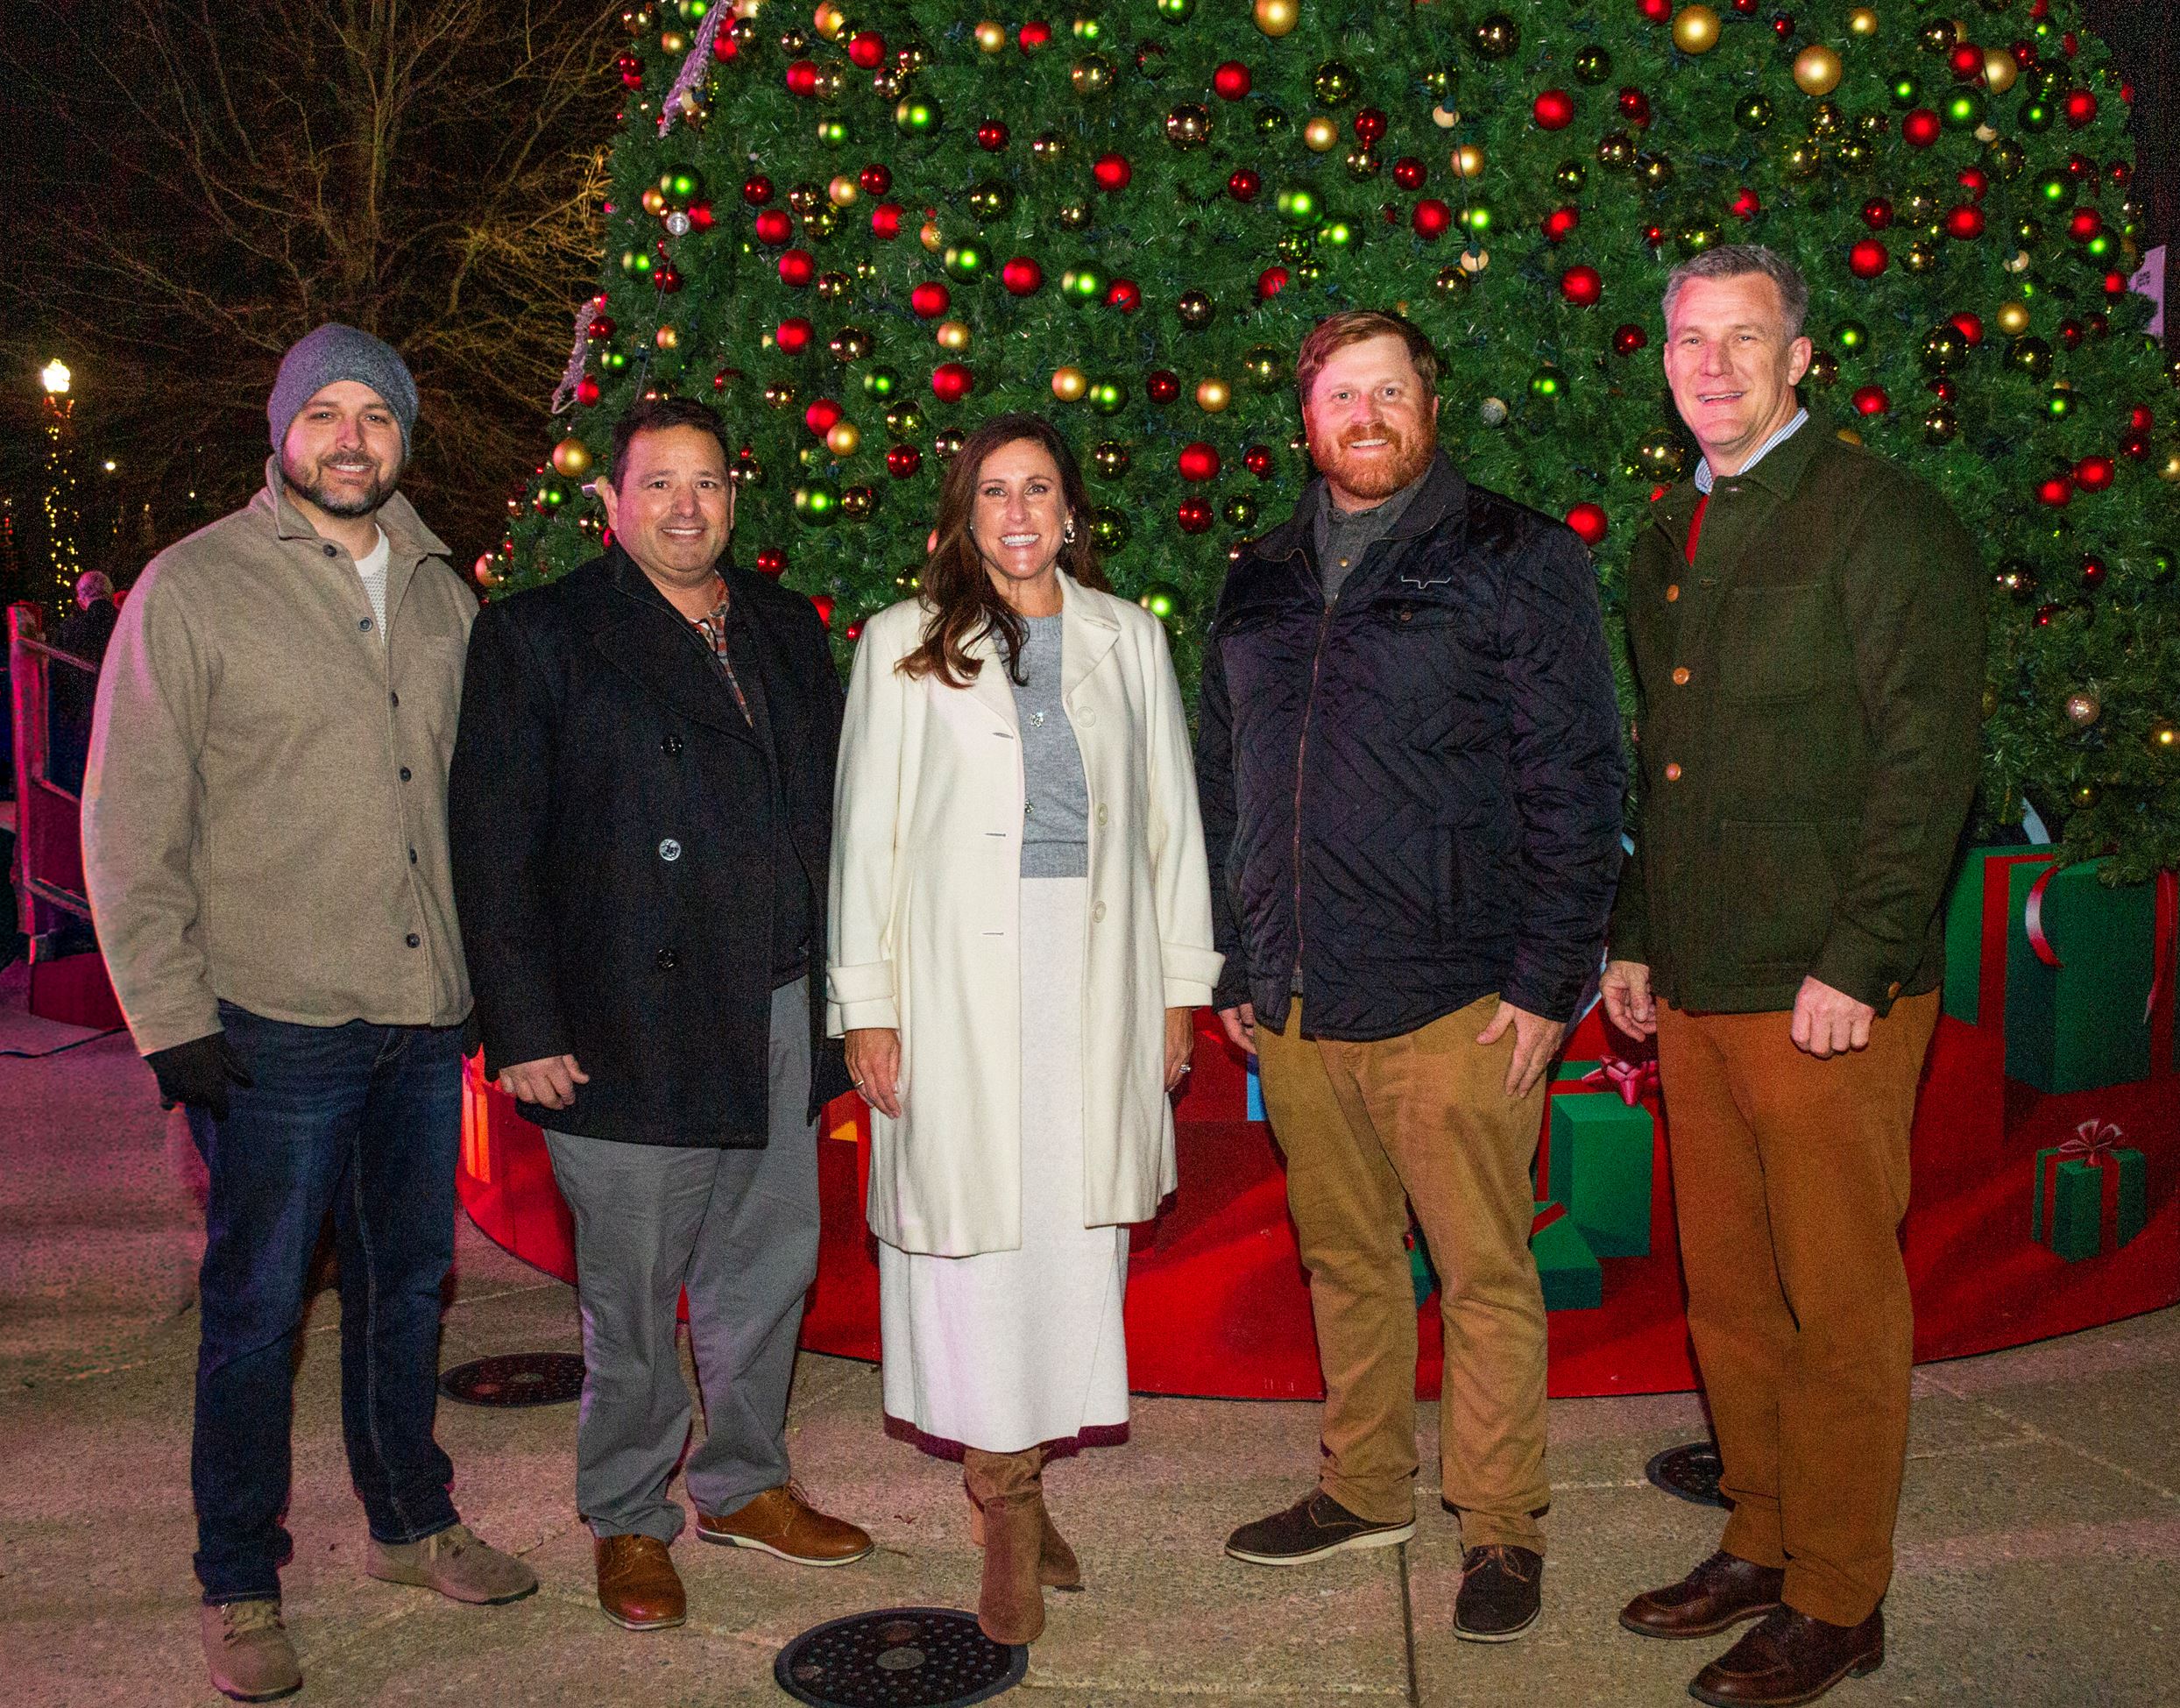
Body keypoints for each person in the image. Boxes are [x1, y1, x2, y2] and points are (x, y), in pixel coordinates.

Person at [83, 323, 534, 1704]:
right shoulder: (196, 588)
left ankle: (409, 1519)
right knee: (257, 1307)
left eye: (376, 418)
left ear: (405, 440)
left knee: (407, 1288)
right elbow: (128, 821)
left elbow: (481, 811)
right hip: (270, 1023)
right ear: (281, 432)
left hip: (418, 1015)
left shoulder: (448, 595)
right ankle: (238, 1574)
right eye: (324, 414)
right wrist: (170, 1021)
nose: (351, 439)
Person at [1198, 311, 1626, 1641]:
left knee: (1485, 1271)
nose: (1366, 415)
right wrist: (1235, 954)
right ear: (1307, 421)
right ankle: (1365, 1483)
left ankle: (1499, 1526)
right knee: (1345, 1261)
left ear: (1428, 409)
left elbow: (1577, 773)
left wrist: (1552, 977)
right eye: (1342, 395)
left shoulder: (1516, 556)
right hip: (1301, 1003)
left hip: (1459, 999)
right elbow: (1227, 784)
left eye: (1390, 391)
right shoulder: (1258, 575)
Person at [1603, 245, 1984, 1707]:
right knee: (1736, 1297)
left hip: (1828, 995)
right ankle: (1762, 1539)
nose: (1712, 364)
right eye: (1690, 340)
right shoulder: (1669, 538)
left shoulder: (1882, 521)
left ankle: (1841, 1593)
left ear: (1801, 358)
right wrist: (1639, 932)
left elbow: (1926, 762)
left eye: (1742, 339)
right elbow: (1671, 763)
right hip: (1703, 987)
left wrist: (1862, 954)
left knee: (1839, 1306)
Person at [449, 396, 871, 1636]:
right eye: (659, 484)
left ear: (735, 499)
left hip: (779, 1003)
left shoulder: (788, 630)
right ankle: (630, 1515)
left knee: (766, 1268)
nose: (687, 506)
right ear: (614, 503)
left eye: (708, 484)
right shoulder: (542, 635)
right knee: (632, 1294)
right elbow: (492, 842)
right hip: (621, 1018)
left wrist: (847, 1006)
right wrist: (520, 1023)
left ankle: (744, 1484)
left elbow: (835, 826)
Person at [829, 412, 1221, 1646]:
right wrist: (869, 1007)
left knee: (1067, 1243)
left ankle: (1028, 1473)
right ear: (963, 514)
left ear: (1069, 512)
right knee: (969, 1252)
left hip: (1094, 978)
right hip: (950, 987)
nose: (1016, 512)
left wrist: (1176, 991)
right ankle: (1004, 1503)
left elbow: (1169, 830)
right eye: (993, 491)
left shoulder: (1131, 639)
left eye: (1037, 489)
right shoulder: (903, 647)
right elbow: (864, 842)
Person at [47, 569, 117, 796]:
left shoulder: (71, 628)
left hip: (81, 712)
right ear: (110, 593)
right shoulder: (126, 621)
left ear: (80, 599)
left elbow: (58, 672)